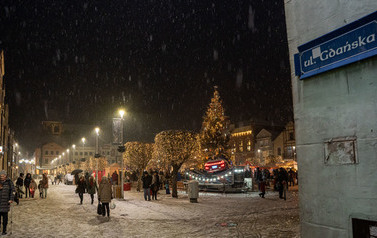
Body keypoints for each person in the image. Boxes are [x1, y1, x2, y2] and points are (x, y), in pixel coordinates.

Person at [0, 171, 14, 235]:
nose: (1, 177)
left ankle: (4, 230)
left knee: (5, 218)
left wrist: (11, 199)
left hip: (5, 202)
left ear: (5, 176)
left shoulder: (9, 182)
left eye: (2, 176)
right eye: (0, 176)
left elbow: (12, 191)